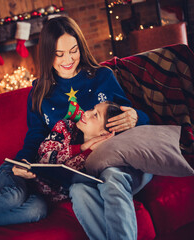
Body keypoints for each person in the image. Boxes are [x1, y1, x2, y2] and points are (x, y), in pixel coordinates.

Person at [13, 15, 152, 240]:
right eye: (59, 54)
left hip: (115, 161)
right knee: (77, 190)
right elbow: (35, 135)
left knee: (112, 177)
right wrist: (24, 161)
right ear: (48, 55)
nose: (68, 59)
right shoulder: (40, 92)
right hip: (81, 171)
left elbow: (129, 116)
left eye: (73, 50)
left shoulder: (102, 76)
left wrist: (137, 117)